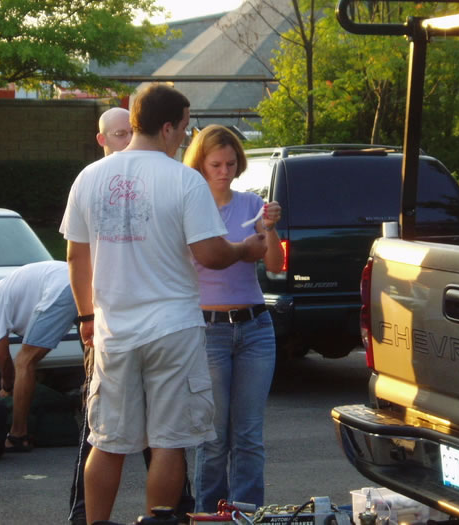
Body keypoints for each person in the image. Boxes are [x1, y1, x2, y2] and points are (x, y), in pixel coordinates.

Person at [59, 84, 267, 523]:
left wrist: (87, 317)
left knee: (106, 441)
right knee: (169, 442)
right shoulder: (184, 180)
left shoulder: (89, 178)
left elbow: (76, 256)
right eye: (185, 127)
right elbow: (211, 254)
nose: (186, 136)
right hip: (174, 329)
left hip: (114, 331)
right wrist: (245, 248)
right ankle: (158, 519)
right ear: (168, 127)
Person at [183, 124, 284, 511]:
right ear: (200, 165)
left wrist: (269, 228)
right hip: (209, 329)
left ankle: (246, 515)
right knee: (213, 437)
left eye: (230, 163)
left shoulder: (250, 204)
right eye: (216, 164)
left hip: (255, 327)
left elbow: (275, 265)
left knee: (249, 436)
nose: (224, 171)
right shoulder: (190, 208)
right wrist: (240, 248)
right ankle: (209, 515)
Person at [68, 106, 133, 525]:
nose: (126, 140)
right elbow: (76, 256)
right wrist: (86, 317)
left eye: (131, 132)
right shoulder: (90, 181)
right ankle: (82, 515)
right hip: (106, 325)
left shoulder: (151, 177)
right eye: (119, 134)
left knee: (163, 437)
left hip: (148, 323)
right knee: (98, 429)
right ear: (102, 139)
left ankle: (175, 511)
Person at [0, 260, 78, 452]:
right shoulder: (12, 287)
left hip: (61, 288)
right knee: (95, 353)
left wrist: (7, 386)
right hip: (81, 279)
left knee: (24, 361)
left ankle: (18, 435)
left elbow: (3, 356)